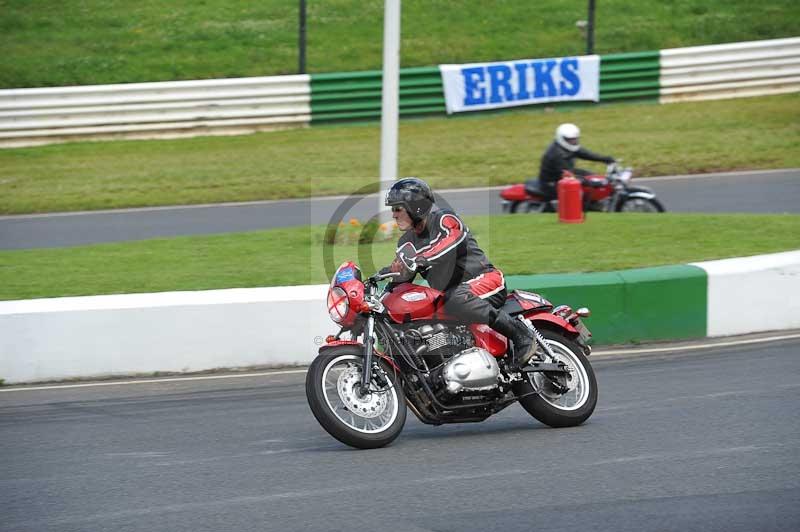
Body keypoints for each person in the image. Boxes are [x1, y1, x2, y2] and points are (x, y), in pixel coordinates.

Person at [381, 177, 536, 368]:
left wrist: (421, 258)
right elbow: (402, 277)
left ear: (415, 206)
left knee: (454, 297)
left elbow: (451, 242)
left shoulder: (445, 219)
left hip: (485, 280)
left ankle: (521, 336)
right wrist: (378, 290)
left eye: (398, 209)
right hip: (451, 296)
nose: (393, 215)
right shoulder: (406, 243)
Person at [532, 123, 615, 202]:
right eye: (570, 140)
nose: (573, 141)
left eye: (575, 139)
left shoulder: (567, 147)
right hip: (551, 183)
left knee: (591, 175)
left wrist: (606, 159)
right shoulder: (557, 154)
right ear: (562, 138)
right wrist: (591, 183)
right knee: (579, 191)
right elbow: (569, 177)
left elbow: (585, 153)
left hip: (563, 174)